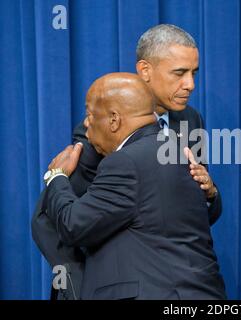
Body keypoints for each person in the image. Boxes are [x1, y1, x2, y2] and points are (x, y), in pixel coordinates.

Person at [31, 24, 222, 299]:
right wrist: (81, 285)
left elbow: (190, 217)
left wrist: (209, 192)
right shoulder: (98, 130)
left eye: (193, 73)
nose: (190, 84)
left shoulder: (190, 122)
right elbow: (55, 220)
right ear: (145, 70)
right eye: (179, 73)